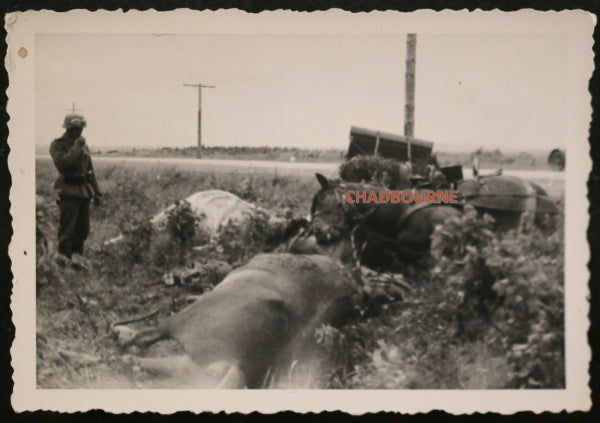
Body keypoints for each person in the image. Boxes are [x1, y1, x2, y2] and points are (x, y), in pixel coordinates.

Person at [50, 113, 102, 269]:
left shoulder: (84, 146)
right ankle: (63, 260)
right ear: (68, 128)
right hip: (68, 191)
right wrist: (76, 148)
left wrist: (97, 193)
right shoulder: (58, 145)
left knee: (82, 229)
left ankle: (77, 261)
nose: (79, 132)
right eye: (75, 129)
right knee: (67, 228)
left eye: (80, 129)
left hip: (84, 191)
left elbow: (90, 172)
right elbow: (63, 164)